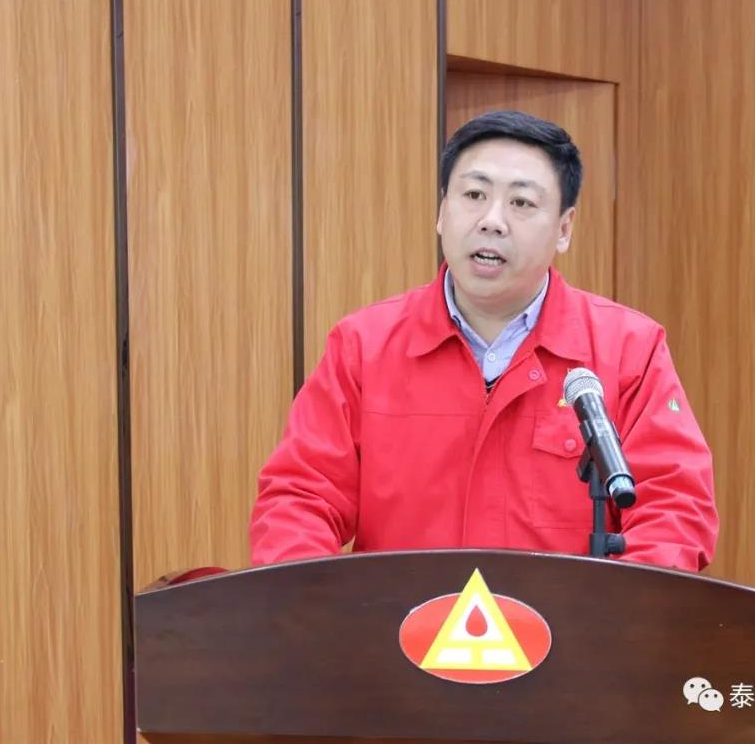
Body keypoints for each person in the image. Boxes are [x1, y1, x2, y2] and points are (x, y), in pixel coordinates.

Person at [250, 111, 718, 571]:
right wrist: (323, 612)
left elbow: (674, 510)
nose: (492, 221)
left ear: (564, 229)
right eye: (474, 195)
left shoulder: (628, 349)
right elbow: (299, 499)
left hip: (567, 623)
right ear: (442, 212)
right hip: (400, 621)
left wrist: (613, 614)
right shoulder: (363, 346)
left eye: (522, 203)